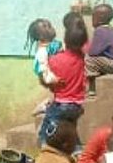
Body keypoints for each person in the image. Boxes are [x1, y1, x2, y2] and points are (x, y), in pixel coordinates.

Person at [36, 20, 88, 148]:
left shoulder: (55, 60)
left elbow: (46, 79)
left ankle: (45, 150)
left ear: (65, 40)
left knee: (47, 131)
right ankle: (77, 151)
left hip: (61, 104)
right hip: (77, 106)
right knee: (71, 131)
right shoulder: (82, 59)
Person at [84, 3, 113, 98]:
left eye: (93, 17)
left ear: (100, 19)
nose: (92, 19)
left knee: (89, 60)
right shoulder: (108, 29)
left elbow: (93, 52)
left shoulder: (100, 31)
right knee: (97, 59)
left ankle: (91, 88)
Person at [26, 17, 62, 116]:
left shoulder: (53, 44)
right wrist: (51, 79)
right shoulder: (43, 50)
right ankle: (45, 106)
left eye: (50, 25)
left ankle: (49, 103)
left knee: (59, 93)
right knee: (58, 92)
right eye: (48, 27)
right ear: (41, 36)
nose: (52, 28)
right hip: (47, 75)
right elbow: (43, 67)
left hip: (53, 73)